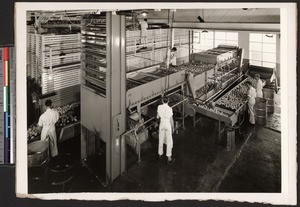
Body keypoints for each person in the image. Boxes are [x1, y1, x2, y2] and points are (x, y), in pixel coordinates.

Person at [157, 97, 175, 164]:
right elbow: (171, 120)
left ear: (162, 101)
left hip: (162, 125)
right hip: (168, 125)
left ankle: (160, 154)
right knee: (169, 141)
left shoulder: (159, 107)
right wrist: (173, 128)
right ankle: (169, 158)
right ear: (168, 101)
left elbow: (157, 117)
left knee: (161, 139)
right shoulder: (170, 109)